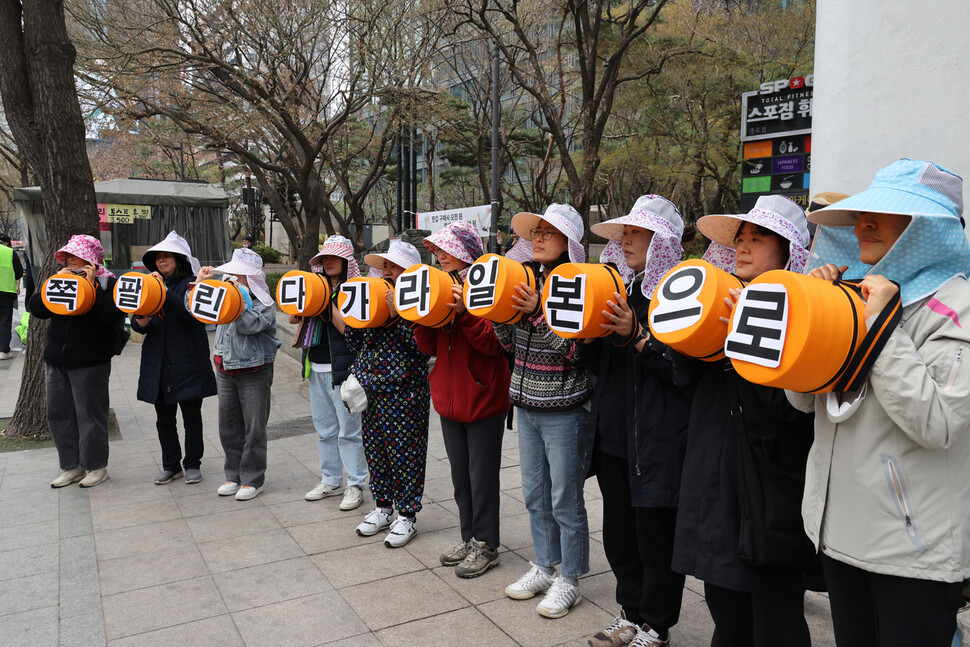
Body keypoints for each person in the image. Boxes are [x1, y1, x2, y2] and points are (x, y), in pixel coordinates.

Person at [787, 159, 970, 647]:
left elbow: (939, 424)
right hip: (838, 533)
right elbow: (803, 401)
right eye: (861, 213)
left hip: (910, 551)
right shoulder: (856, 293)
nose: (863, 223)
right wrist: (819, 316)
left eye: (886, 214)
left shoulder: (955, 305)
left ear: (925, 228)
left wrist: (880, 324)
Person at [672, 195, 822, 647]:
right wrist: (699, 336)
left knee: (774, 615)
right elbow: (684, 380)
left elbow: (790, 412)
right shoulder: (717, 303)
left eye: (758, 239)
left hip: (767, 486)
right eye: (740, 239)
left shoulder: (806, 311)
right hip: (712, 475)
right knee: (725, 605)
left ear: (788, 251)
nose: (743, 247)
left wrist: (749, 336)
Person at [582, 195, 692, 647]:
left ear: (662, 241)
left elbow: (683, 372)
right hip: (613, 435)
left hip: (658, 439)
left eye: (637, 232)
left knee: (656, 539)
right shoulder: (619, 289)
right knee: (620, 535)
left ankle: (657, 625)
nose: (626, 240)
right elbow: (592, 361)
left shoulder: (682, 295)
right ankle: (628, 612)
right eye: (624, 232)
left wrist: (637, 337)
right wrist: (586, 329)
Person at [496, 204, 592, 619]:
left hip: (565, 408)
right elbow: (510, 347)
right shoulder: (524, 280)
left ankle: (569, 578)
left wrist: (538, 311)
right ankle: (544, 564)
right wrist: (498, 313)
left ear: (568, 242)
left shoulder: (578, 285)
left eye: (548, 233)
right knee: (535, 494)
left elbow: (575, 352)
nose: (537, 238)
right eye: (535, 232)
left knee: (564, 499)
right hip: (526, 403)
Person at [414, 221, 511, 578]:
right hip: (449, 399)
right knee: (460, 477)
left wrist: (463, 312)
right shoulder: (439, 288)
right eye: (437, 250)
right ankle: (469, 537)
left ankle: (486, 545)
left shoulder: (486, 287)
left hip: (483, 397)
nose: (439, 256)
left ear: (464, 253)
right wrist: (423, 317)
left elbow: (492, 343)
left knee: (481, 476)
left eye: (446, 250)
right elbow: (426, 346)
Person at [346, 240, 430, 548]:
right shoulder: (374, 297)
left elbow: (422, 347)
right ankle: (383, 507)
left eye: (394, 267)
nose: (387, 272)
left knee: (405, 453)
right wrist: (356, 314)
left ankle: (407, 515)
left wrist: (400, 313)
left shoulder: (420, 302)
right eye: (385, 266)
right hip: (370, 390)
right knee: (376, 451)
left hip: (404, 392)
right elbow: (355, 343)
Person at [28, 234, 124, 488]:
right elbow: (36, 308)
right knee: (59, 414)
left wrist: (91, 287)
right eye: (67, 256)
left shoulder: (108, 283)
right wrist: (55, 283)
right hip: (56, 359)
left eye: (75, 256)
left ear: (89, 258)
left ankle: (96, 466)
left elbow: (110, 316)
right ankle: (71, 466)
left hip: (90, 361)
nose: (70, 260)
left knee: (90, 415)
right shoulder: (60, 279)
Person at [131, 232, 217, 485]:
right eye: (157, 258)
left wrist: (161, 290)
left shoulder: (194, 283)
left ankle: (192, 463)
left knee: (192, 417)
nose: (161, 261)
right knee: (163, 418)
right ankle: (171, 465)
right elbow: (139, 325)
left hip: (188, 361)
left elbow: (189, 315)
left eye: (167, 256)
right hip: (157, 363)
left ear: (180, 259)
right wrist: (140, 320)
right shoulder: (151, 286)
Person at [196, 247, 281, 501]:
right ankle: (232, 475)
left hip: (254, 369)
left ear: (251, 278)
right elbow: (198, 313)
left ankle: (253, 478)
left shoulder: (264, 303)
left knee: (254, 427)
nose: (231, 278)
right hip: (224, 367)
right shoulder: (223, 296)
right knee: (228, 426)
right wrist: (200, 286)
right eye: (230, 273)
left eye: (238, 275)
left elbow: (250, 326)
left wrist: (239, 299)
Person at [296, 235, 367, 512]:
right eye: (324, 258)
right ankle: (331, 479)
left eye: (334, 257)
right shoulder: (316, 287)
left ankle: (356, 484)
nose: (328, 262)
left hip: (345, 371)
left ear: (347, 262)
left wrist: (326, 303)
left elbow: (351, 332)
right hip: (316, 366)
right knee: (325, 430)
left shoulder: (357, 290)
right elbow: (293, 317)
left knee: (349, 432)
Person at [0, 233, 23, 360]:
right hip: (5, 292)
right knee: (4, 321)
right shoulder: (9, 252)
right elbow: (19, 272)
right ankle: (3, 351)